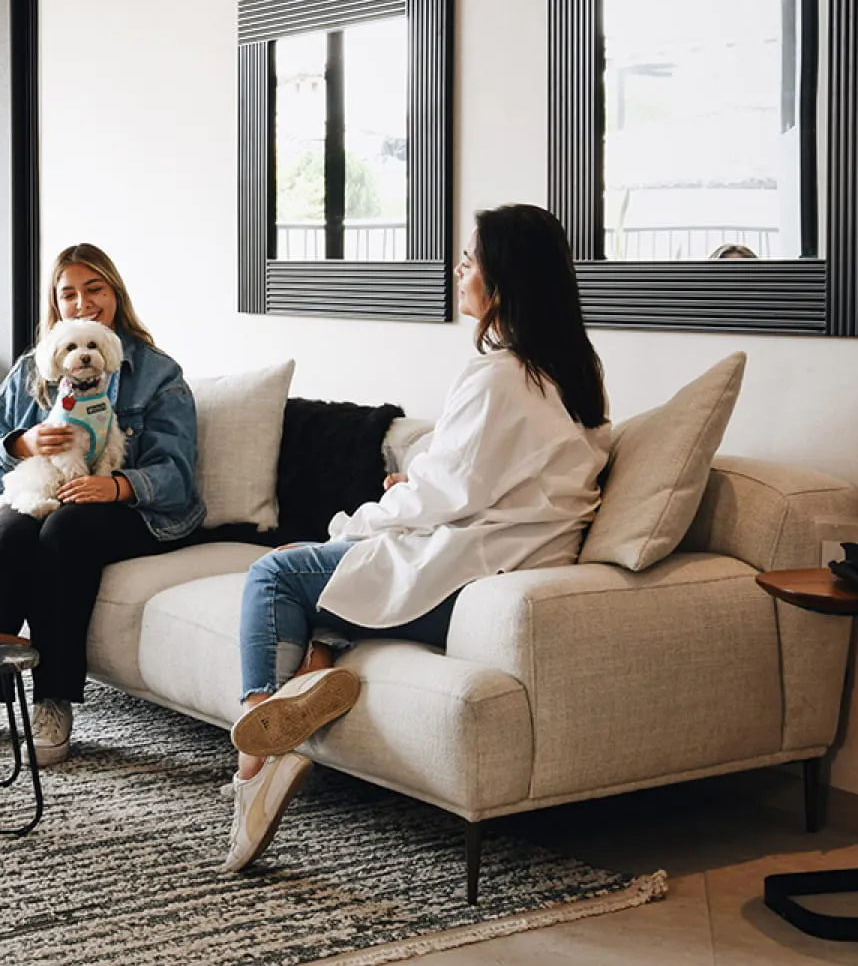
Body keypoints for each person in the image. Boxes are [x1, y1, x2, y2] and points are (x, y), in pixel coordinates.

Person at [219, 204, 611, 871]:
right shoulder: (574, 374)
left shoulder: (500, 376)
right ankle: (310, 677)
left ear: (502, 280)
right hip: (502, 564)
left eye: (469, 259)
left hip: (467, 578)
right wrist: (407, 498)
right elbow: (482, 484)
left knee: (277, 574)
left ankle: (257, 753)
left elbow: (437, 496)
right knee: (320, 600)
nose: (460, 270)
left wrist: (352, 524)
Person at [0, 243, 204, 765]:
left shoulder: (157, 374)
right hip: (45, 489)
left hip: (129, 508)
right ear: (56, 305)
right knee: (9, 531)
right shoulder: (30, 371)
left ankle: (53, 698)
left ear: (115, 295)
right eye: (69, 294)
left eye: (95, 290)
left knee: (65, 532)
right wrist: (22, 444)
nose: (83, 303)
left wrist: (115, 487)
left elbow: (175, 475)